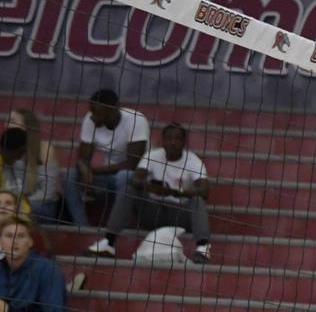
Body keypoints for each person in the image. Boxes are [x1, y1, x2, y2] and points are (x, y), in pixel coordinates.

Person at [92, 121, 212, 262]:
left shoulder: (193, 161)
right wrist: (150, 187)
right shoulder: (153, 155)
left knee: (197, 200)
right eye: (169, 138)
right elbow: (135, 179)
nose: (172, 143)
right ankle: (108, 242)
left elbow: (204, 191)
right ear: (163, 140)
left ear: (184, 142)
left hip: (178, 215)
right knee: (129, 189)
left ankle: (203, 247)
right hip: (152, 211)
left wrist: (175, 192)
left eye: (177, 139)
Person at [60, 88, 147, 230]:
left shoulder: (136, 119)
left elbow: (133, 163)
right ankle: (81, 227)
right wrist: (84, 169)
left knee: (125, 176)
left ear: (114, 109)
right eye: (92, 112)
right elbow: (83, 158)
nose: (94, 117)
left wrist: (95, 170)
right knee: (69, 175)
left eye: (99, 113)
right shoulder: (90, 119)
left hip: (137, 177)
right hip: (107, 176)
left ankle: (117, 227)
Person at [0, 217, 65, 312]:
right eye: (9, 236)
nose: (14, 241)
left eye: (21, 236)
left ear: (30, 242)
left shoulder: (48, 270)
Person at [1, 112, 59, 221]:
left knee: (13, 210)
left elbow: (48, 193)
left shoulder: (44, 152)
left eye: (12, 121)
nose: (6, 125)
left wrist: (20, 202)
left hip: (41, 205)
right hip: (15, 202)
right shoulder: (7, 157)